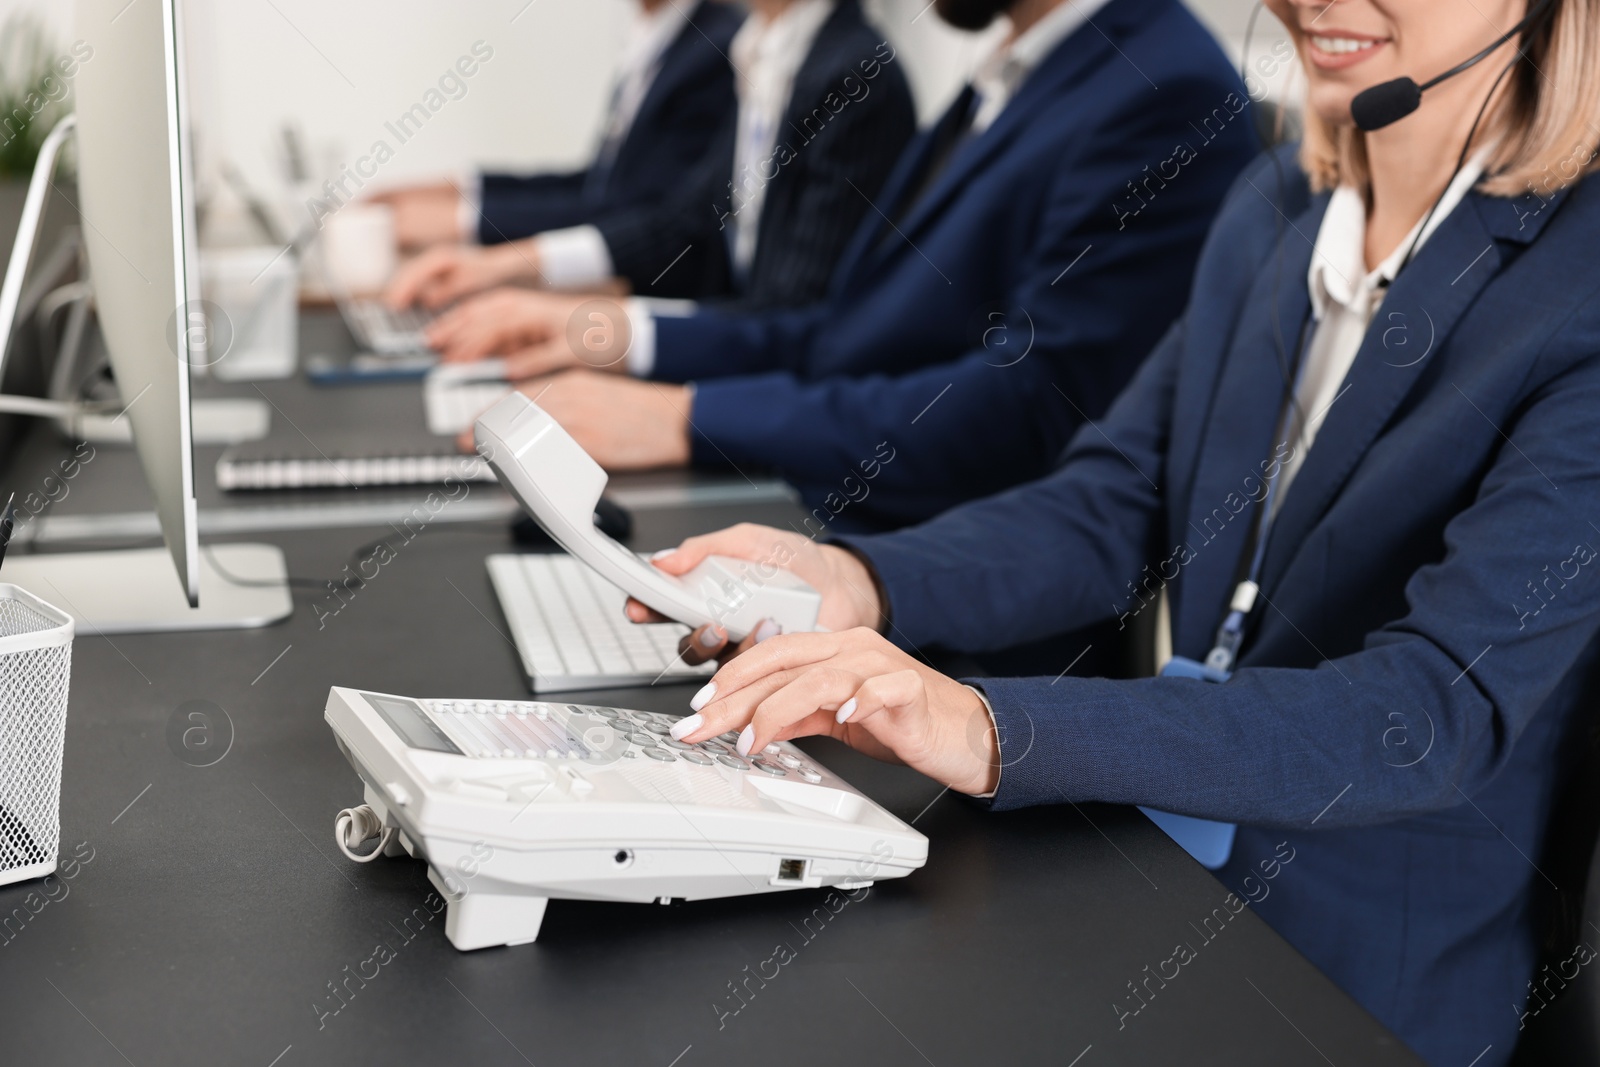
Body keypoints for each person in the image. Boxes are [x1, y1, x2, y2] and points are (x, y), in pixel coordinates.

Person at [624, 0, 1600, 1062]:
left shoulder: (1579, 287)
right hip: (1156, 856)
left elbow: (1426, 707)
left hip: (1354, 973)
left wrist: (991, 726)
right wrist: (857, 575)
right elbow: (1113, 499)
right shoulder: (1277, 202)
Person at [409, 0, 1257, 530]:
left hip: (959, 618)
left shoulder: (1158, 91)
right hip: (849, 520)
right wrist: (616, 341)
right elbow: (841, 329)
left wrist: (683, 419)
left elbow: (1030, 410)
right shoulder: (1012, 70)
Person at [386, 0, 916, 311]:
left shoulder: (853, 74)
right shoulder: (764, 50)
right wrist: (507, 263)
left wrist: (618, 333)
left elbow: (794, 309)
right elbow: (681, 224)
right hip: (738, 358)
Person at [375, 0, 743, 250]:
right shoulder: (654, 37)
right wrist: (465, 188)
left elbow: (638, 208)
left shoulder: (716, 46)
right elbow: (599, 183)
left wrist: (465, 220)